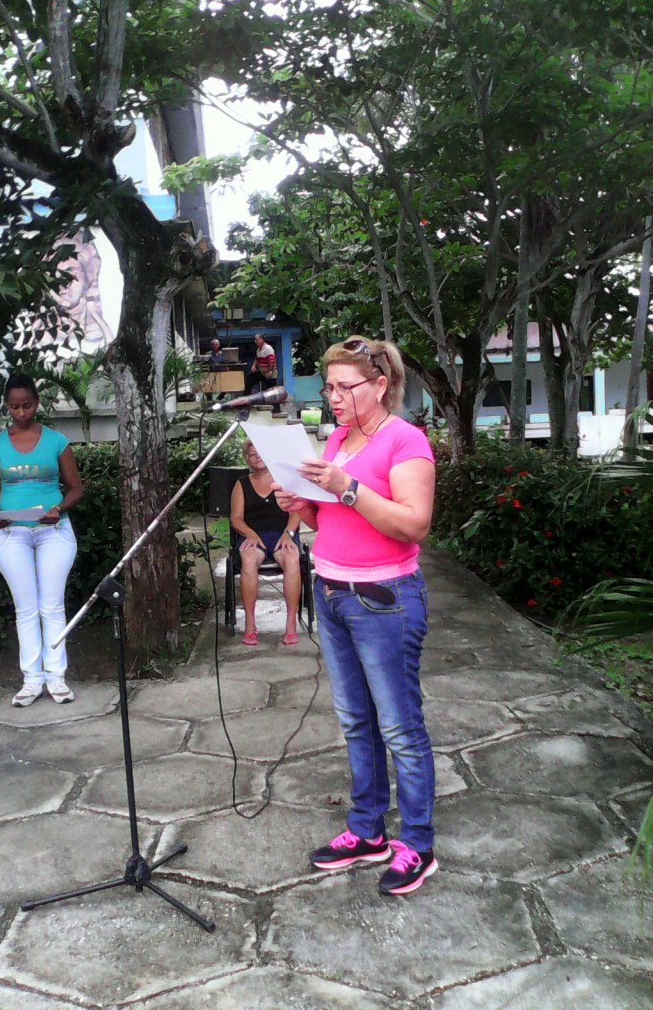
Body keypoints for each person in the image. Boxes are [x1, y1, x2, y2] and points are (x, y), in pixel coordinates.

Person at [275, 336, 437, 896]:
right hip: (332, 593)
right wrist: (302, 504)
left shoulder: (405, 440)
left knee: (400, 728)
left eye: (345, 387)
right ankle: (368, 830)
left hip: (384, 600)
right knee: (355, 722)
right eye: (329, 387)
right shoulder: (339, 438)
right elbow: (331, 521)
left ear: (380, 385)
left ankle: (417, 843)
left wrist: (346, 487)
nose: (334, 397)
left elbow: (413, 524)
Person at [0, 373, 84, 708]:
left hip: (54, 531)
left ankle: (56, 678)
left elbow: (76, 489)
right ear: (7, 406)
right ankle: (32, 680)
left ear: (36, 403)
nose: (21, 412)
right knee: (25, 609)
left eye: (26, 405)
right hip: (12, 533)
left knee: (51, 606)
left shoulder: (56, 441)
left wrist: (59, 509)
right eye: (14, 407)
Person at [230, 439, 303, 646]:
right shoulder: (242, 484)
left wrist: (288, 533)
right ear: (247, 459)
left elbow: (297, 510)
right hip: (254, 535)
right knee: (248, 558)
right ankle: (250, 624)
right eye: (251, 454)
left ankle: (291, 624)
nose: (257, 457)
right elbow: (236, 518)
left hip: (282, 534)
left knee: (292, 558)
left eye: (259, 452)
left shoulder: (283, 480)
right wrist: (250, 534)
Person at [245, 333, 280, 411]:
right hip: (262, 372)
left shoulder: (268, 349)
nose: (255, 341)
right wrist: (254, 365)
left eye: (257, 339)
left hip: (270, 372)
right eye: (255, 340)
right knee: (250, 379)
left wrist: (270, 372)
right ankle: (247, 402)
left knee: (272, 392)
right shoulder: (258, 350)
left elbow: (272, 362)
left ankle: (276, 409)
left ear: (262, 339)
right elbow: (257, 359)